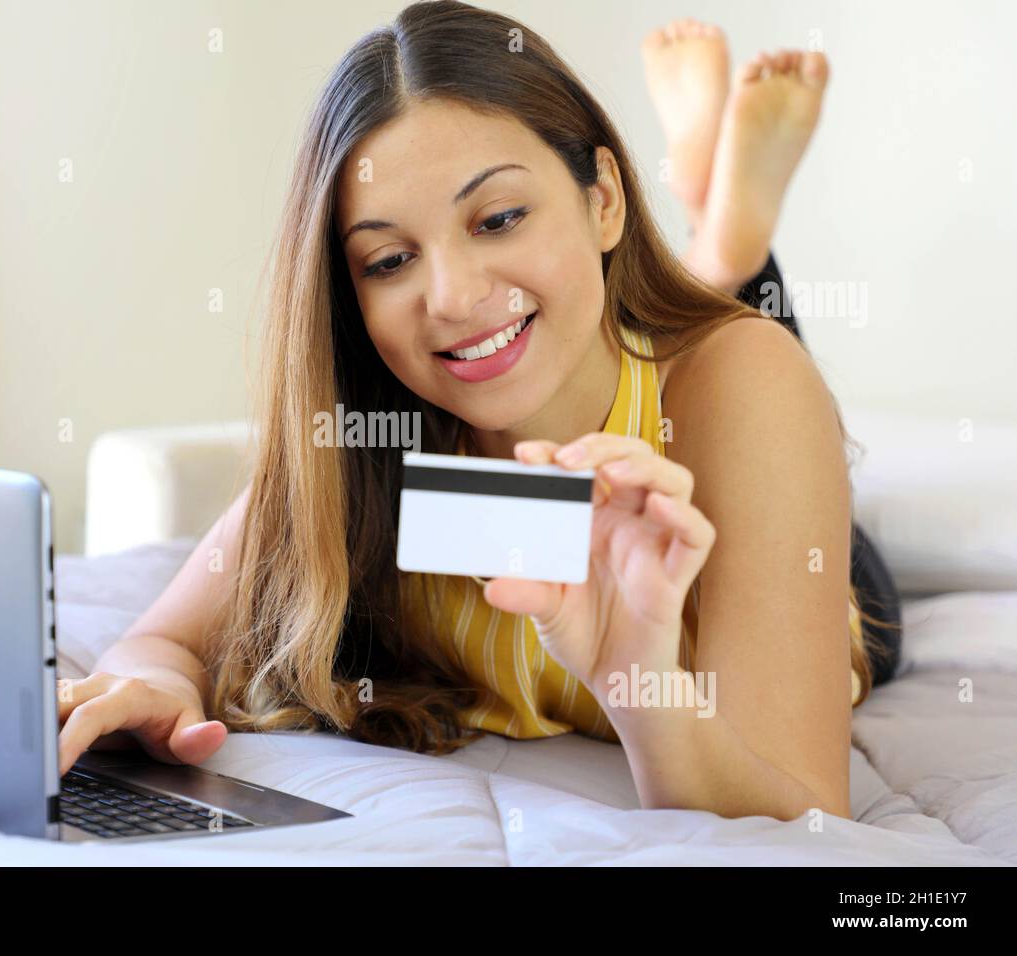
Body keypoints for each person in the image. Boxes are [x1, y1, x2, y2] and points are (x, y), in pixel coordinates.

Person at [58, 2, 901, 821]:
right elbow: (163, 641)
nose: (454, 298)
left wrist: (638, 680)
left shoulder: (741, 382)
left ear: (603, 198)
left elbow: (804, 813)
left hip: (788, 525)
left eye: (498, 218)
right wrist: (161, 691)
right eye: (389, 261)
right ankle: (718, 224)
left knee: (746, 341)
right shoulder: (367, 437)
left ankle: (728, 244)